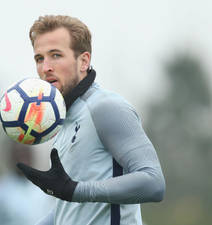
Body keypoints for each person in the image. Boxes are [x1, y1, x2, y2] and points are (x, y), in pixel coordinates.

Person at [17, 15, 166, 225]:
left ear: (84, 61)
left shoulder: (106, 107)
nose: (45, 67)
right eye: (39, 58)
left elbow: (154, 183)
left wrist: (75, 190)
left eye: (56, 55)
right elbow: (70, 210)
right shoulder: (63, 121)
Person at [0, 142, 53, 225]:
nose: (23, 159)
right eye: (19, 154)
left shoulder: (44, 189)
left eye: (25, 153)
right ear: (10, 157)